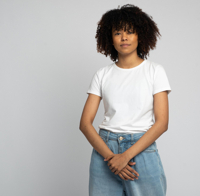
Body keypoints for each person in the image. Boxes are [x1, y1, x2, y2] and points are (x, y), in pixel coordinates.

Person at [79, 4, 171, 196]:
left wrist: (125, 157)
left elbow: (162, 123)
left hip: (141, 151)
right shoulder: (102, 75)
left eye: (130, 32)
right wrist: (112, 158)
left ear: (140, 35)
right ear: (109, 38)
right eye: (118, 32)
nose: (124, 37)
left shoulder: (155, 71)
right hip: (105, 151)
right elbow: (85, 124)